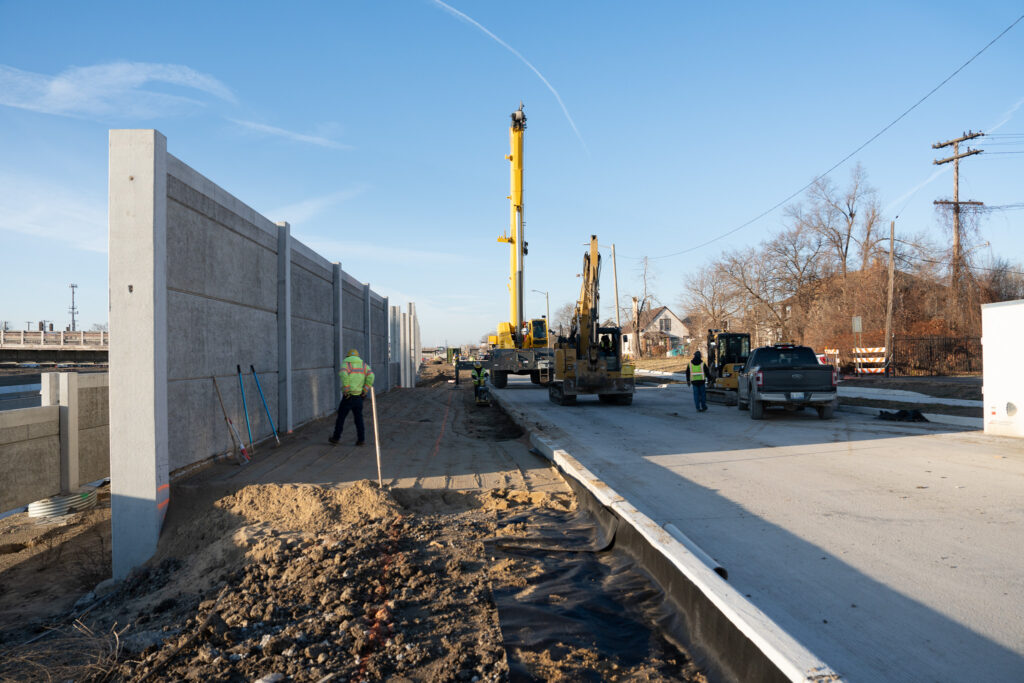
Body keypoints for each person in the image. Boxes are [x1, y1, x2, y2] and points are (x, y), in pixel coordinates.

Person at [329, 348, 375, 446]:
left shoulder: (346, 365)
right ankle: (361, 440)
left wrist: (346, 388)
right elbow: (371, 376)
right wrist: (365, 389)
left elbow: (343, 374)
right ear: (358, 357)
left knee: (341, 418)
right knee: (359, 419)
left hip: (348, 396)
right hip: (359, 396)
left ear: (348, 356)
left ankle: (336, 438)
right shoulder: (363, 365)